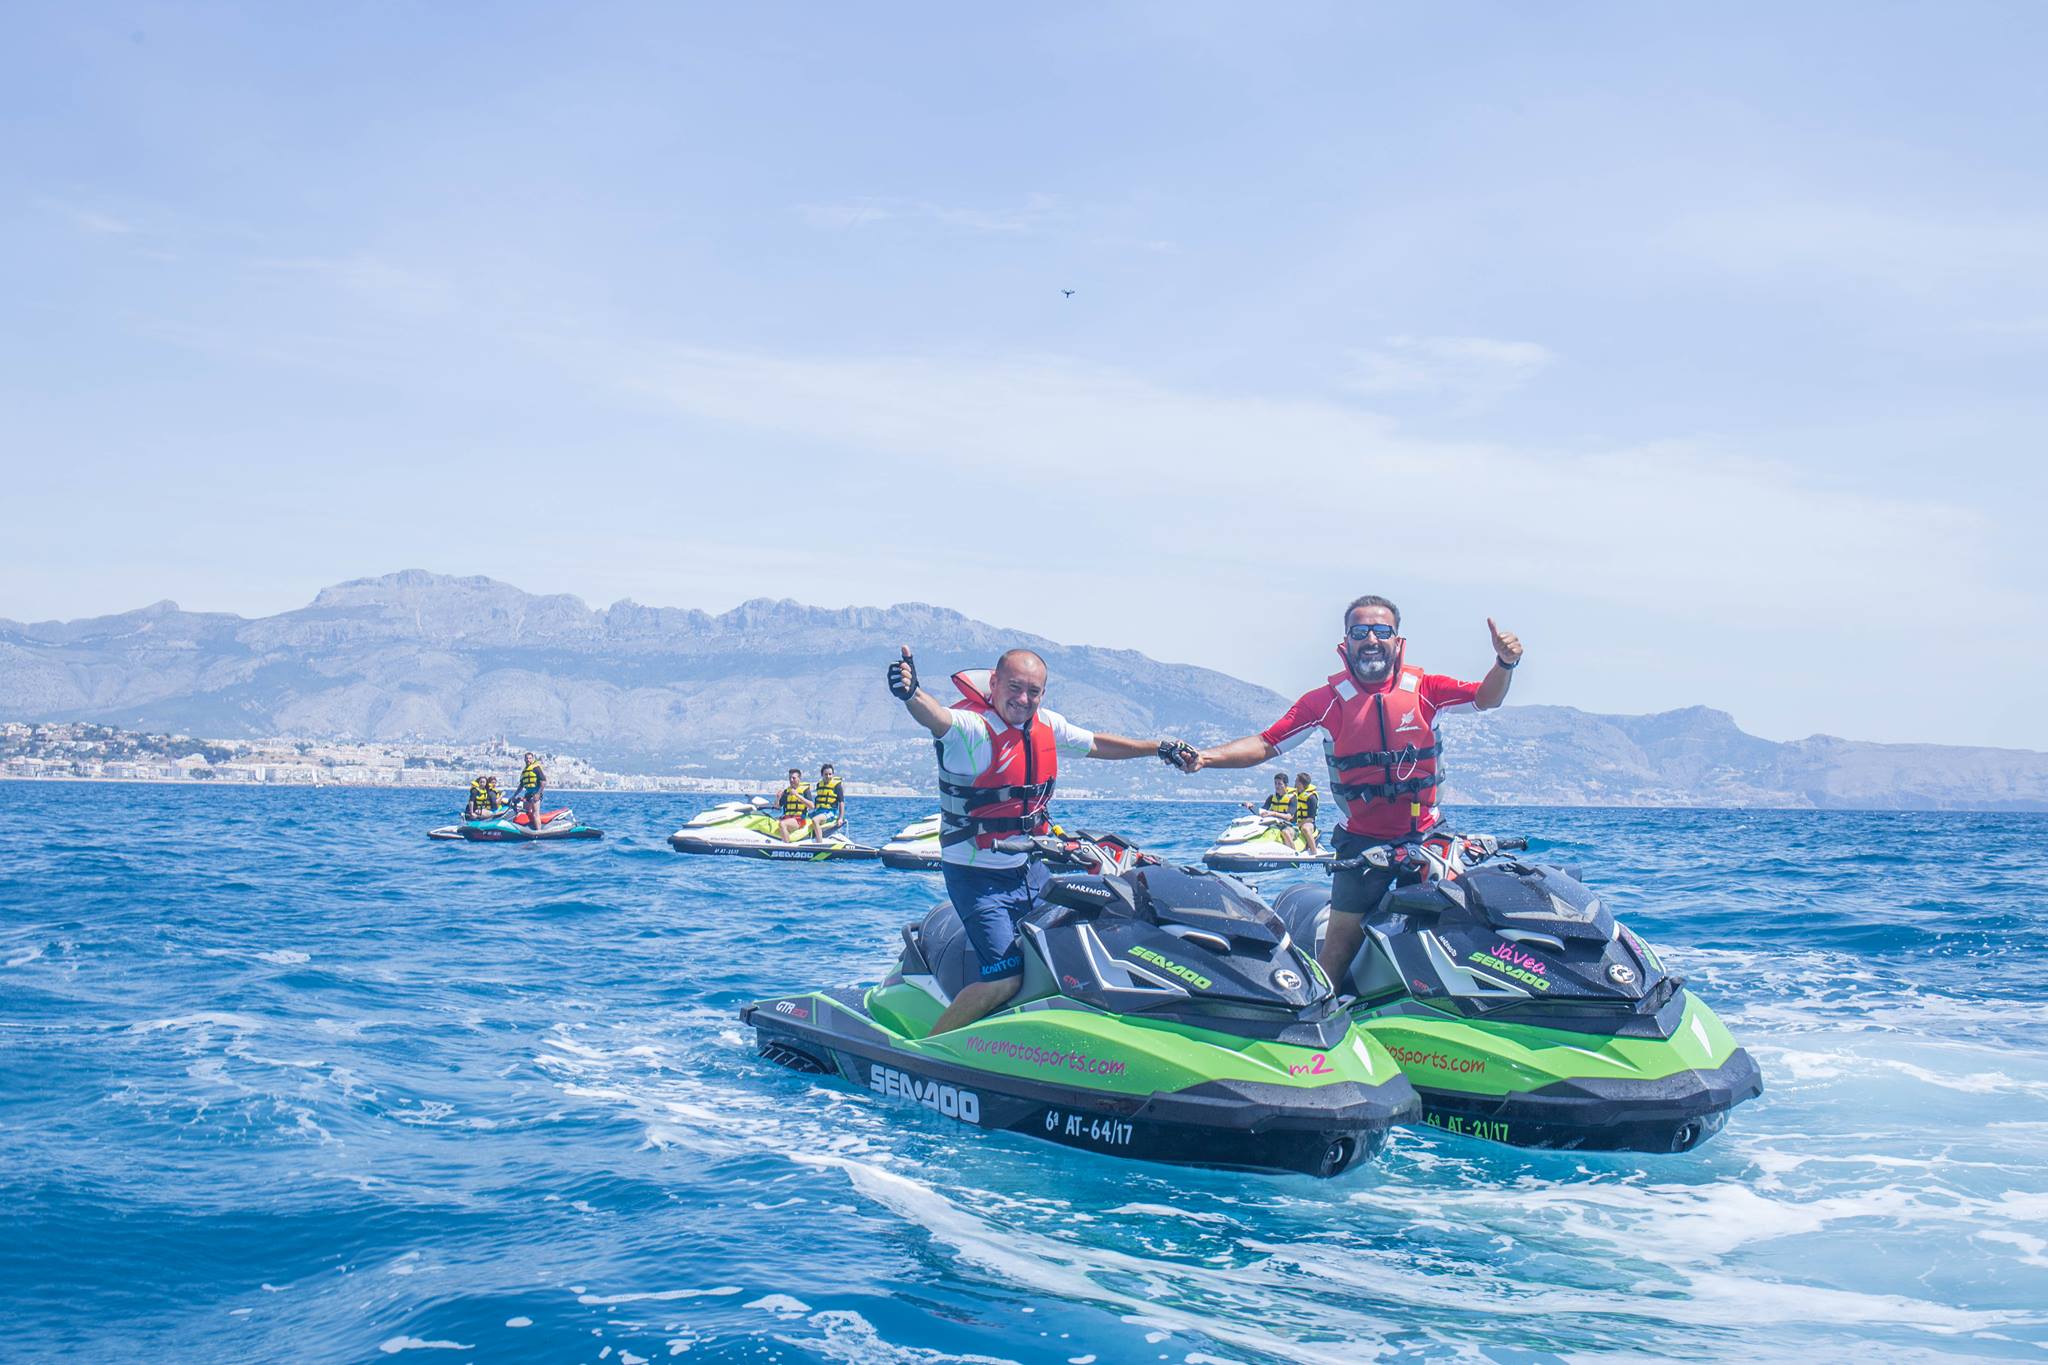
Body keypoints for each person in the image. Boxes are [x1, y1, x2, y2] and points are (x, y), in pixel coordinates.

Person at [1169, 595, 1522, 990]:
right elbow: (1267, 744)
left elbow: (1486, 697)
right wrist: (1206, 758)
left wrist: (1504, 663)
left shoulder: (1427, 690)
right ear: (1346, 643)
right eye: (1360, 631)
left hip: (1427, 837)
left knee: (1457, 929)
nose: (1371, 638)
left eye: (1381, 630)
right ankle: (1320, 1014)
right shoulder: (1324, 703)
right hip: (1361, 843)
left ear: (1397, 641)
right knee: (1339, 946)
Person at [888, 645, 1180, 1034]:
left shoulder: (1046, 725)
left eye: (1034, 692)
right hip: (978, 879)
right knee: (1003, 978)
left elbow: (1096, 744)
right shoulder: (971, 730)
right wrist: (911, 694)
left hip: (1030, 869)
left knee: (1086, 937)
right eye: (1014, 687)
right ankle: (928, 1051)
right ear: (993, 683)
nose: (1023, 700)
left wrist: (1156, 747)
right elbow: (936, 717)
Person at [1244, 772, 1300, 849]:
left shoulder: (1292, 798)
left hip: (1290, 826)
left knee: (1285, 832)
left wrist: (1273, 813)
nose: (1277, 786)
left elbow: (1289, 817)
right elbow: (1262, 812)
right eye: (1275, 783)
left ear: (1286, 785)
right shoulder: (1271, 798)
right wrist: (1251, 807)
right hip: (1275, 824)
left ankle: (1294, 854)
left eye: (1280, 784)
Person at [773, 768, 813, 840]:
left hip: (799, 819)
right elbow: (777, 806)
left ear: (799, 779)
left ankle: (786, 846)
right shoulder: (787, 791)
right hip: (787, 817)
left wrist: (797, 795)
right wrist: (778, 798)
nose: (791, 780)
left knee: (782, 824)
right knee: (769, 821)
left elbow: (812, 806)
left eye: (793, 778)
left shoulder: (805, 790)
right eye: (790, 778)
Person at [1291, 771, 1323, 855]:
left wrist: (1299, 824)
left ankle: (1314, 852)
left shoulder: (1311, 797)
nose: (1294, 783)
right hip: (1296, 822)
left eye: (1296, 781)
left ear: (1301, 784)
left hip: (1308, 823)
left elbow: (1311, 818)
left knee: (1305, 828)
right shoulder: (1294, 795)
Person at [811, 763, 845, 834]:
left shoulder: (837, 786)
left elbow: (841, 802)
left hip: (830, 813)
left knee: (815, 820)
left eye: (830, 774)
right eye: (826, 774)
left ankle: (819, 843)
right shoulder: (819, 785)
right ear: (822, 775)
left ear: (833, 774)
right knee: (804, 819)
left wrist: (840, 818)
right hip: (819, 811)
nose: (828, 776)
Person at [515, 752, 546, 829]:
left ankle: (539, 831)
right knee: (526, 812)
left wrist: (538, 793)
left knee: (535, 813)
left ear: (532, 759)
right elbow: (521, 785)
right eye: (526, 758)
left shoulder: (536, 768)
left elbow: (543, 782)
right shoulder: (524, 771)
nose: (528, 760)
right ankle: (529, 828)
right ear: (524, 759)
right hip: (527, 794)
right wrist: (514, 795)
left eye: (530, 758)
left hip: (536, 793)